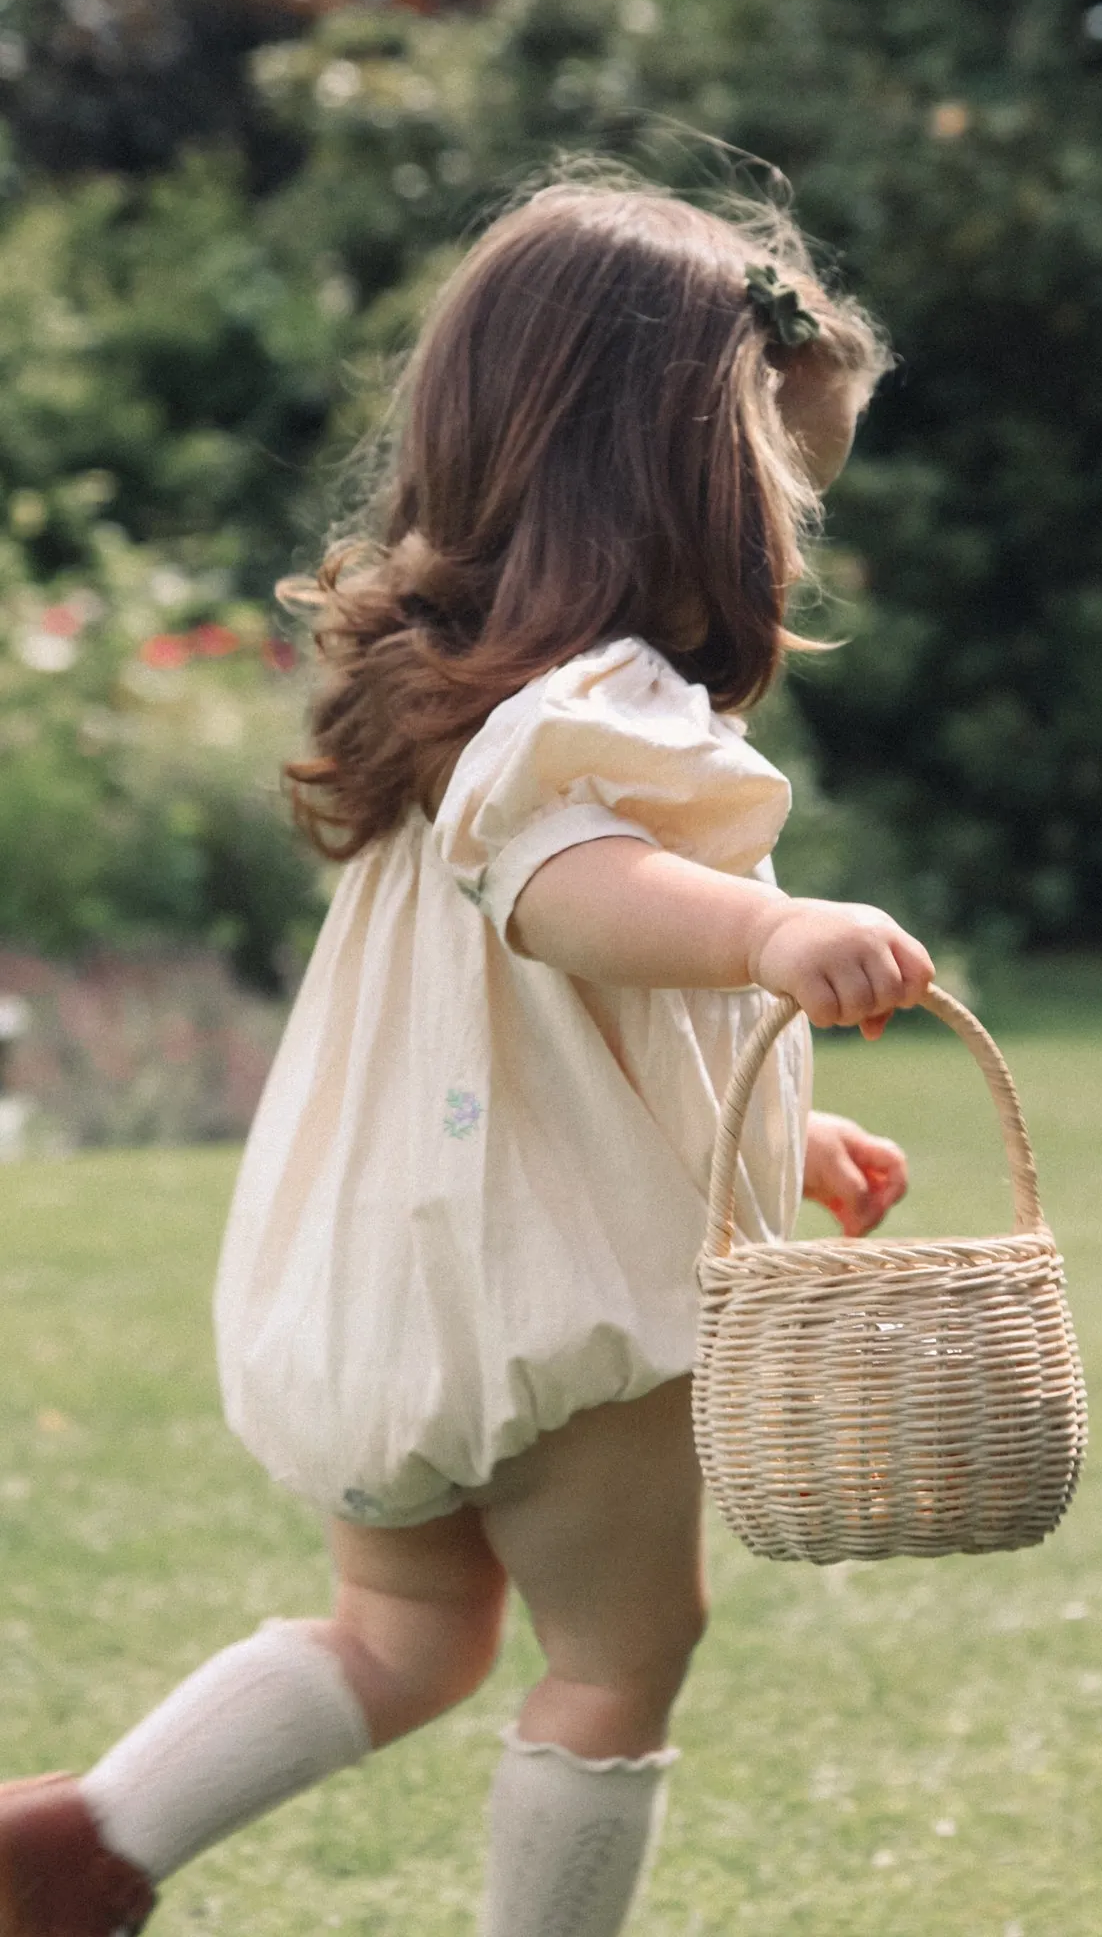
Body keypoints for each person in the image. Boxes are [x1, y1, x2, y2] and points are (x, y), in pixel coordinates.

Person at [0, 172, 934, 1937]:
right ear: (689, 473)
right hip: (551, 1303)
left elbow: (545, 1017)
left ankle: (85, 1841)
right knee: (621, 1664)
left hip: (384, 1279)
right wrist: (773, 933)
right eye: (784, 473)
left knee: (404, 1635)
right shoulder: (609, 715)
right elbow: (578, 899)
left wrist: (775, 1130)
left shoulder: (440, 696)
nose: (792, 522)